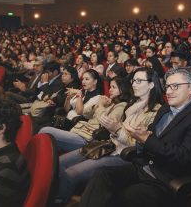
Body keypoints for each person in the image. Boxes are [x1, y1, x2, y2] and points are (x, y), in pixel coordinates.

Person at [79, 67, 191, 207]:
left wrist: (147, 140)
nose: (168, 91)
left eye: (175, 86)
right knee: (102, 175)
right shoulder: (166, 108)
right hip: (143, 166)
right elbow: (150, 134)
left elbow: (186, 157)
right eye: (167, 86)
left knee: (126, 196)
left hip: (165, 178)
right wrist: (140, 135)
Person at [57, 68, 163, 205]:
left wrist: (117, 129)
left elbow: (138, 146)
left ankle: (59, 201)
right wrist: (114, 128)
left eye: (139, 81)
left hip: (124, 155)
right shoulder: (132, 105)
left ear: (151, 84)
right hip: (108, 145)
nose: (134, 84)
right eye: (133, 80)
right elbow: (86, 113)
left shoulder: (156, 111)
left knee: (70, 174)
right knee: (59, 162)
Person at [39, 77, 131, 152]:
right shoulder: (110, 102)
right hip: (82, 131)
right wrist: (97, 106)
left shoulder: (122, 106)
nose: (110, 90)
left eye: (113, 87)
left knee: (45, 130)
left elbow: (105, 123)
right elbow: (85, 114)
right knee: (51, 145)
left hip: (90, 139)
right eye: (110, 87)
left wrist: (101, 106)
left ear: (122, 90)